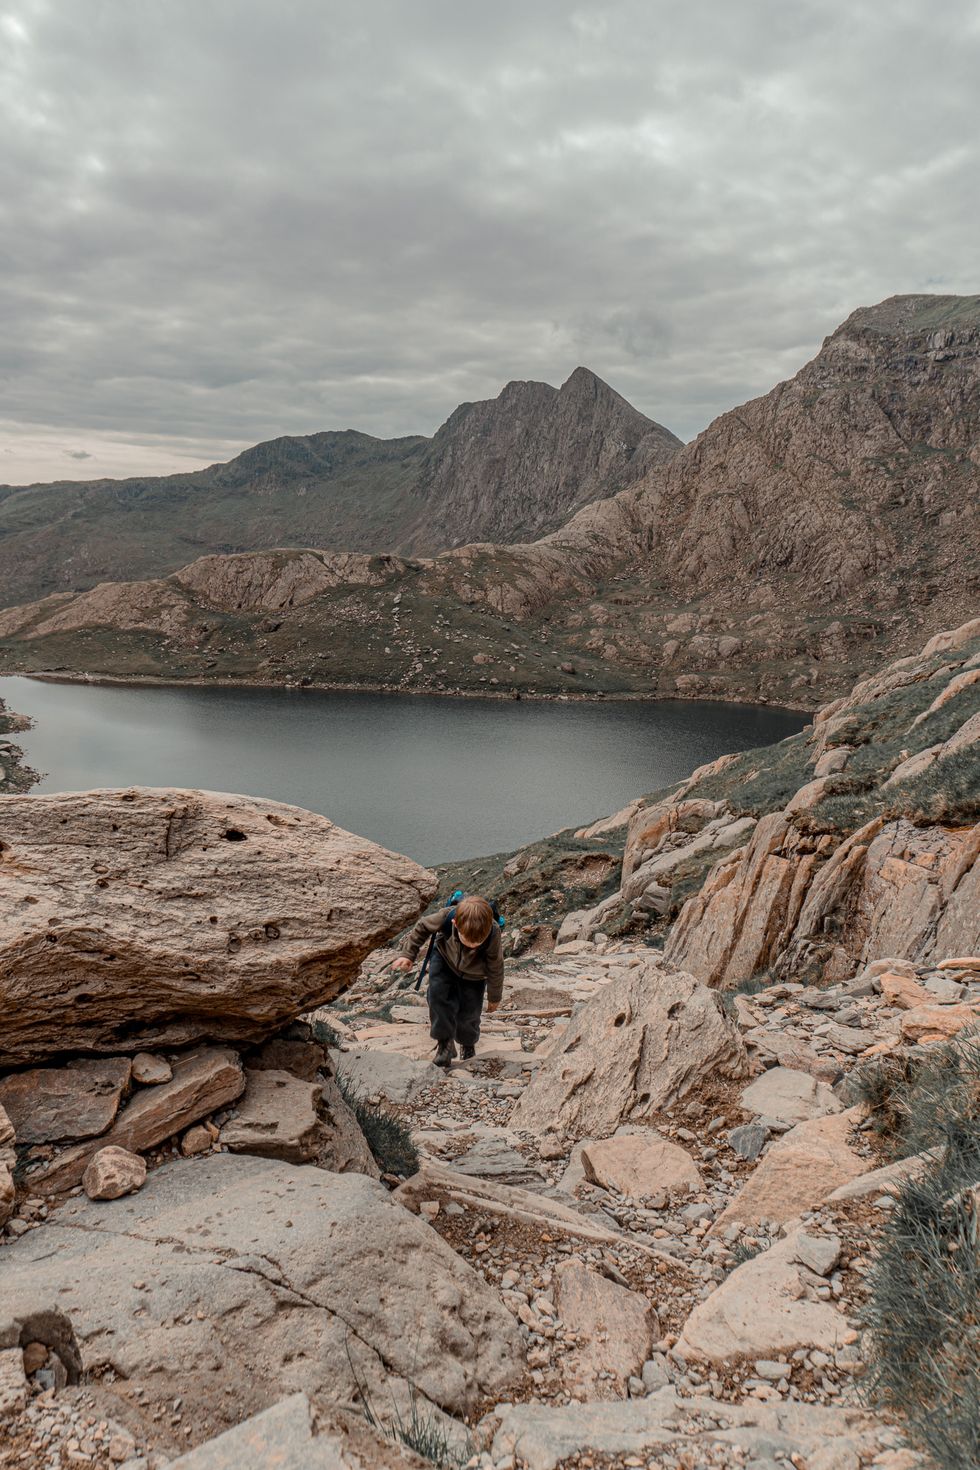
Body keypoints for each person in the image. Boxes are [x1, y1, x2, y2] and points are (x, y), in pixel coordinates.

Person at [391, 896, 503, 1068]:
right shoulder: (445, 917)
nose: (473, 946)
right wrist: (407, 955)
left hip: (475, 976)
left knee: (470, 1013)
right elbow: (422, 927)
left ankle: (468, 1045)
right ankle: (445, 1045)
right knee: (438, 998)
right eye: (468, 940)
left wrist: (495, 996)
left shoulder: (493, 932)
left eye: (477, 943)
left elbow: (496, 966)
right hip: (444, 960)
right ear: (455, 924)